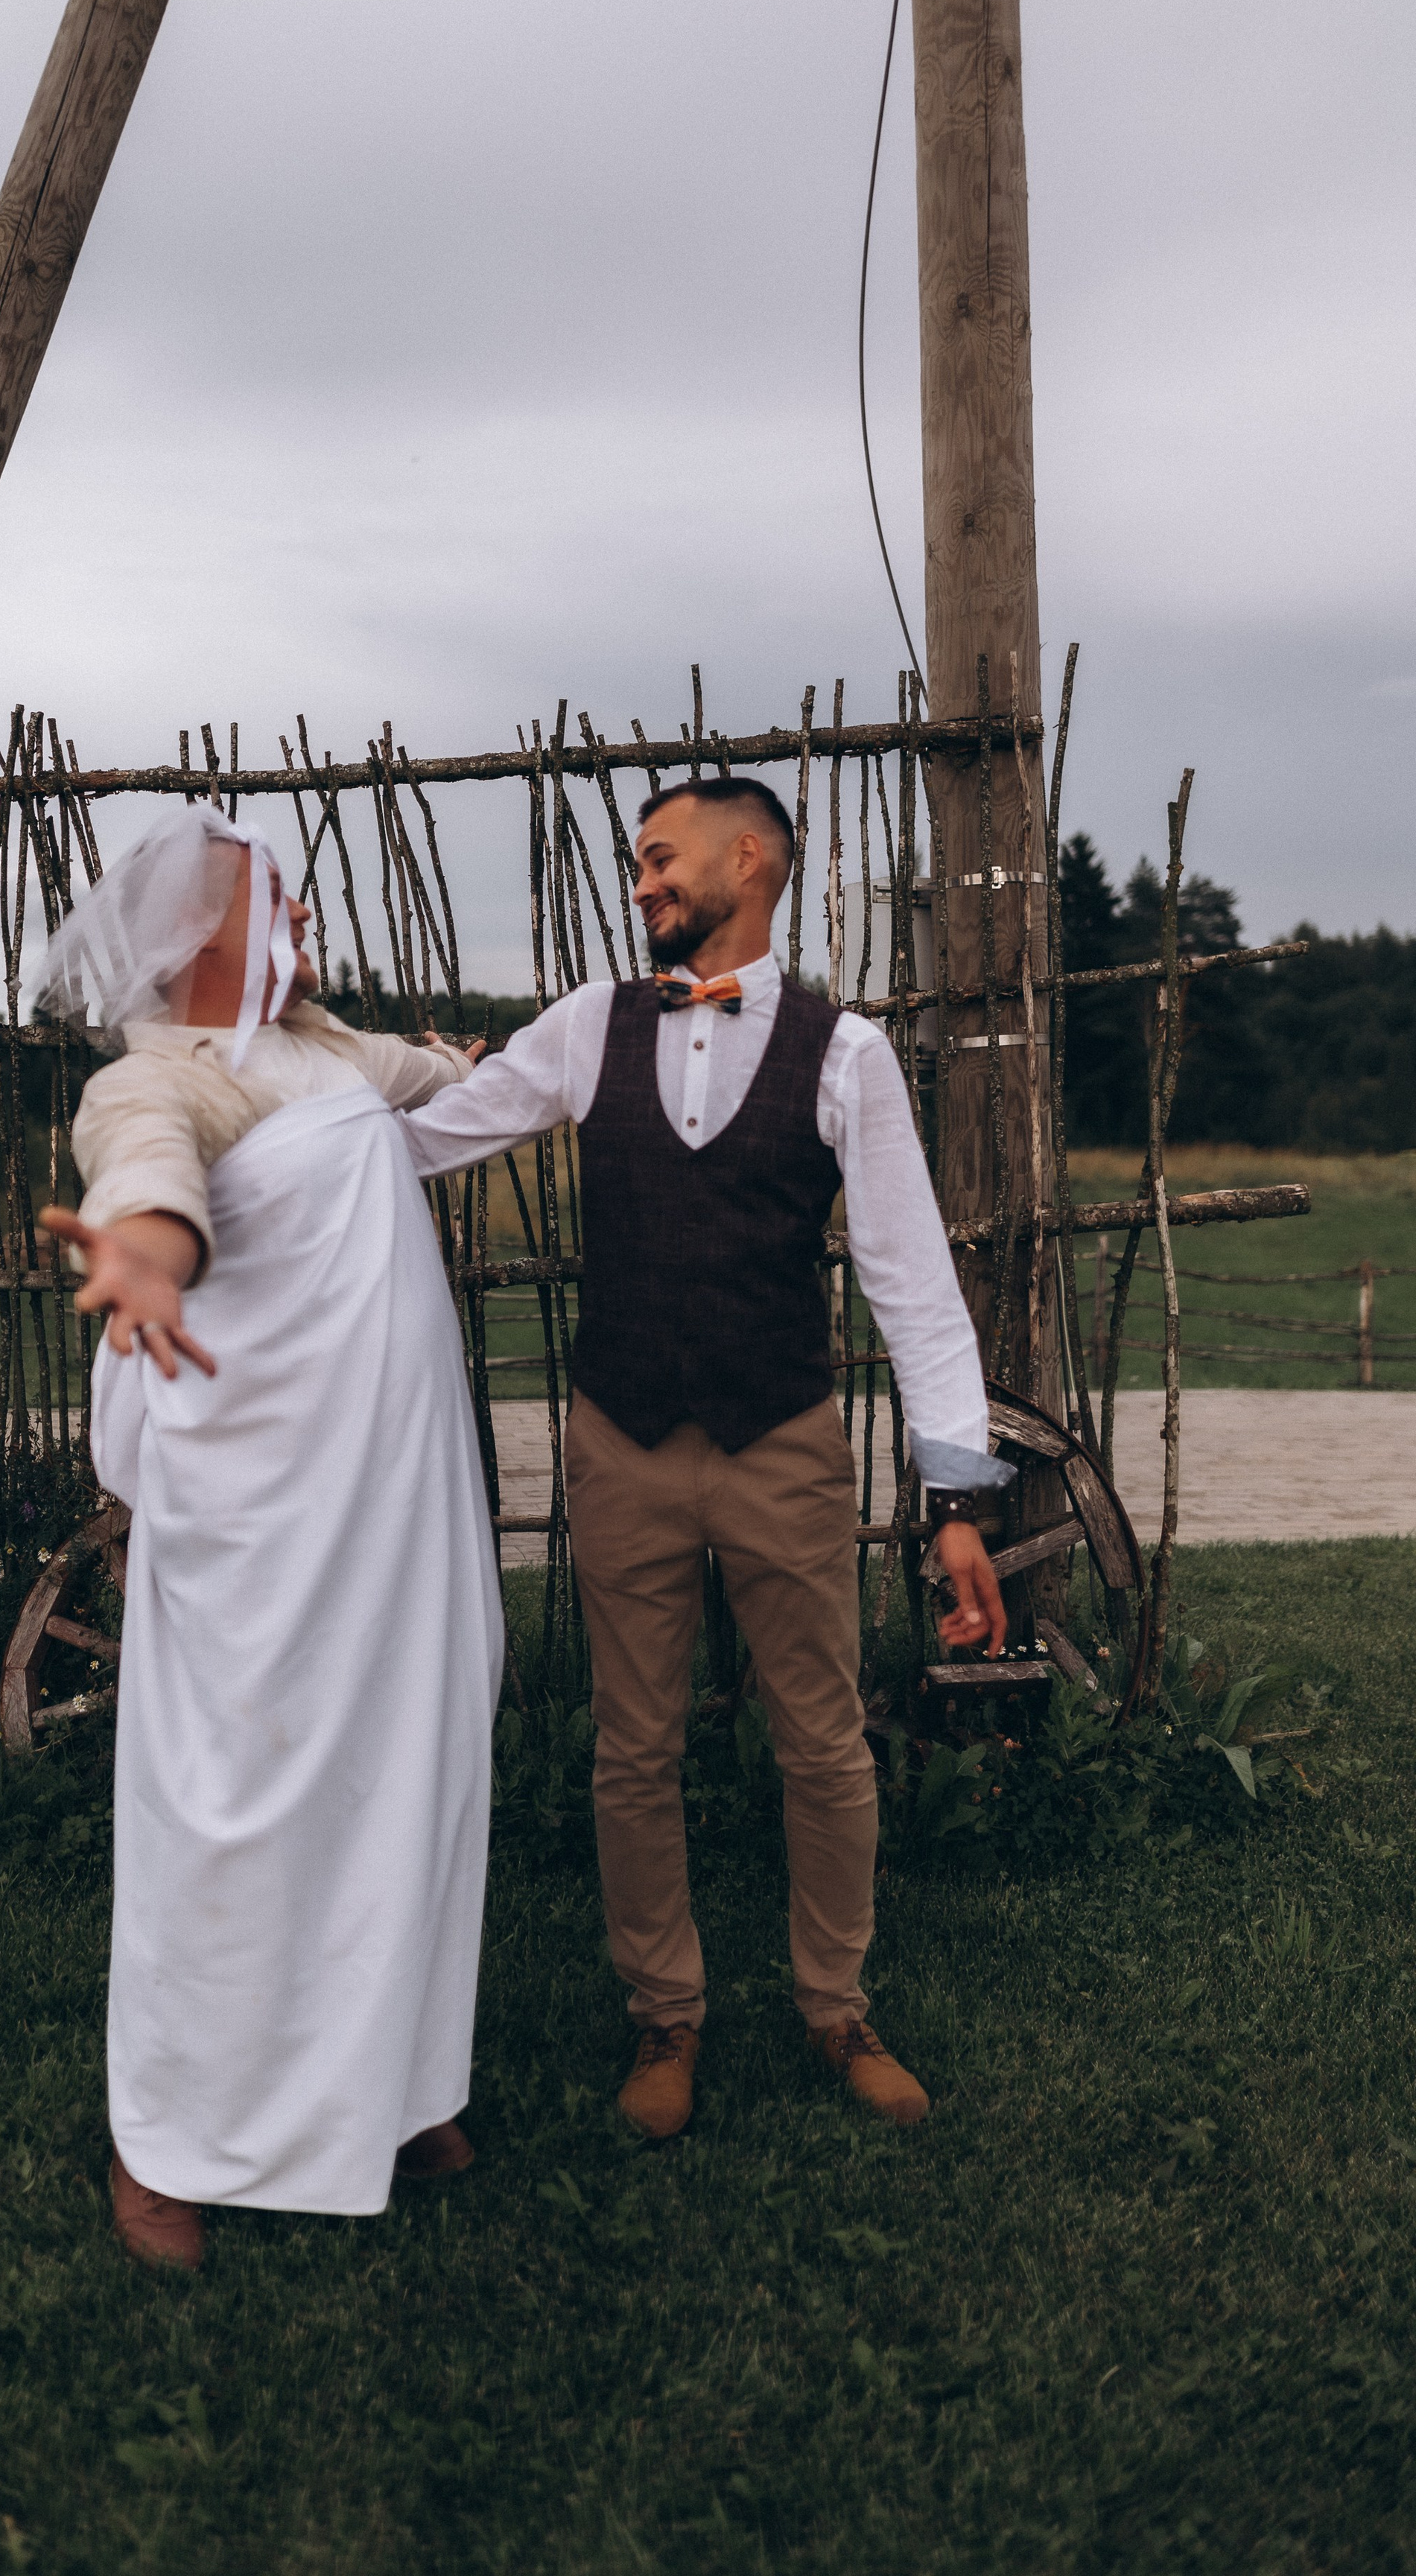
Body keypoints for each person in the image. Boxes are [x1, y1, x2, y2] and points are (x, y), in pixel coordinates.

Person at [399, 775, 1012, 2141]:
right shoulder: (586, 1029)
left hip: (780, 1441)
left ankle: (835, 2007)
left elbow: (911, 1282)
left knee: (826, 1741)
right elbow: (437, 1134)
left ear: (753, 857)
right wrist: (252, 1135)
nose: (644, 884)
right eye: (637, 866)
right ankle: (662, 2018)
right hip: (619, 1437)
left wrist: (956, 1498)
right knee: (632, 1747)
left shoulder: (845, 1054)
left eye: (662, 858)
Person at [36, 805, 504, 2269]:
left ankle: (395, 2084)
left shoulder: (331, 1049)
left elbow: (438, 1085)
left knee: (409, 1778)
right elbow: (149, 1176)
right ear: (193, 938)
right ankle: (168, 2140)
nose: (296, 909)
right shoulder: (158, 1080)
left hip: (398, 1512)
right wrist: (141, 1257)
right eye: (265, 894)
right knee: (235, 1813)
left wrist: (488, 1069)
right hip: (269, 1528)